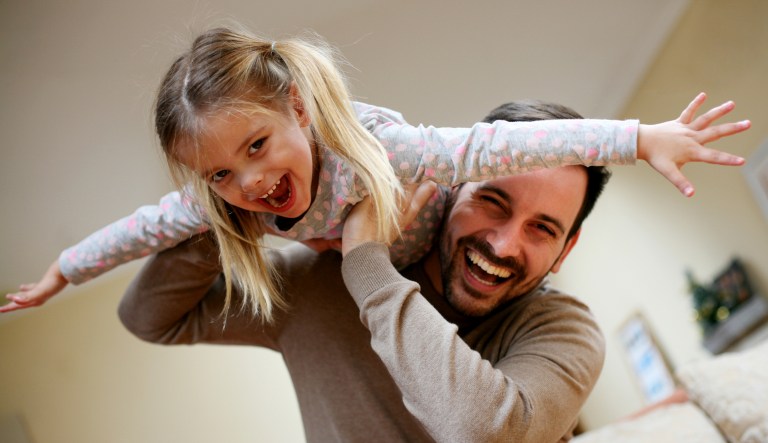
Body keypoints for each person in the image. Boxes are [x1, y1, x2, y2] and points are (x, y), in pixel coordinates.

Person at [1, 26, 749, 319]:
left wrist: (637, 136)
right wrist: (64, 270)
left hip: (427, 251)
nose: (250, 183)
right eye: (221, 173)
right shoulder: (227, 208)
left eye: (257, 147)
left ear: (297, 107)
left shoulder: (380, 149)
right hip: (379, 276)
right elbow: (140, 228)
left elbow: (493, 150)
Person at [117, 99, 717, 442]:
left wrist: (368, 264)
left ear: (567, 249)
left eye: (543, 229)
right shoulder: (310, 284)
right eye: (493, 202)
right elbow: (149, 317)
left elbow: (482, 433)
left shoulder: (561, 327)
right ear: (449, 188)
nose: (504, 244)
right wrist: (241, 209)